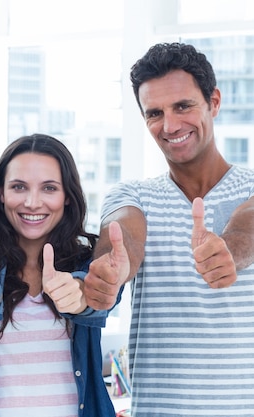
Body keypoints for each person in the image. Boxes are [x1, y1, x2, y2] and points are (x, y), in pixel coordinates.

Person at [83, 42, 254, 416]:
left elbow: (248, 226)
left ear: (214, 102)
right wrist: (115, 267)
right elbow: (124, 233)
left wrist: (231, 249)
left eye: (183, 106)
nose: (170, 125)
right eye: (154, 113)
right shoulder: (134, 195)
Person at [0, 134, 118, 417]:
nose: (33, 202)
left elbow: (100, 292)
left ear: (67, 196)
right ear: (1, 193)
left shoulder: (89, 263)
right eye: (19, 187)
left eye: (49, 188)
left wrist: (80, 292)